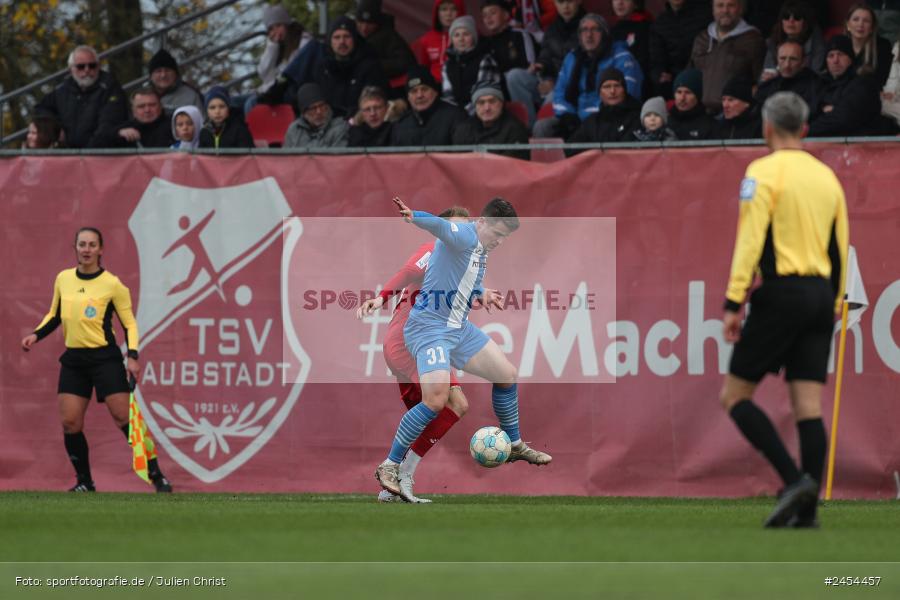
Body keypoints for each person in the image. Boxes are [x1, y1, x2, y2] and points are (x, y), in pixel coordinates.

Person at [720, 91, 848, 528]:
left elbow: (750, 240)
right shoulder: (827, 177)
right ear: (806, 129)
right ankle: (808, 513)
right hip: (820, 296)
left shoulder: (762, 172)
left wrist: (734, 301)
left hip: (782, 293)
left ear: (767, 129)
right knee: (807, 406)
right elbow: (839, 246)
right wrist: (833, 302)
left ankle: (795, 481)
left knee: (735, 396)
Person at [374, 196, 552, 501]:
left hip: (458, 329)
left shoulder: (480, 246)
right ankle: (390, 465)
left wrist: (481, 292)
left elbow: (457, 274)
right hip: (429, 329)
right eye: (497, 234)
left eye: (503, 237)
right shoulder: (467, 233)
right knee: (436, 400)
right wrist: (413, 215)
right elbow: (442, 226)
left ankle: (514, 443)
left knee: (506, 374)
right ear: (482, 223)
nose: (499, 241)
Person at [21, 227, 173, 493]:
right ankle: (85, 482)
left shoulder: (113, 284)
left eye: (92, 245)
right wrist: (36, 334)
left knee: (123, 417)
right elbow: (54, 314)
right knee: (70, 422)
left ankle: (156, 474)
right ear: (75, 247)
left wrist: (133, 356)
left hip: (105, 358)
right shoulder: (64, 279)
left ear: (101, 249)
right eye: (82, 244)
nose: (87, 249)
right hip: (74, 360)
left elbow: (130, 325)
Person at [357, 207, 474, 502]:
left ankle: (393, 487)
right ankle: (395, 469)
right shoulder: (435, 248)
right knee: (452, 402)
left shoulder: (462, 262)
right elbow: (409, 271)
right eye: (453, 228)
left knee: (436, 409)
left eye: (465, 228)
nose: (459, 234)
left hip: (420, 342)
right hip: (409, 342)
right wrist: (380, 298)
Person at [534, 13, 643, 138]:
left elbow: (627, 95)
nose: (589, 35)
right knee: (542, 127)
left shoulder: (622, 57)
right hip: (576, 118)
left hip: (609, 118)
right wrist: (567, 115)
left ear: (605, 33)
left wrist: (594, 117)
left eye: (595, 29)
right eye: (584, 30)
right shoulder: (572, 58)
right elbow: (559, 93)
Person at [35, 45, 127, 149]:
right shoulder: (62, 89)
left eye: (92, 66)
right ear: (71, 69)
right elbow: (41, 108)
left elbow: (109, 124)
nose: (87, 70)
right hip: (69, 155)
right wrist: (55, 128)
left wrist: (86, 154)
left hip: (100, 155)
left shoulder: (111, 88)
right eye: (81, 67)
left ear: (99, 66)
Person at [689, 0, 766, 114]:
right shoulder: (702, 38)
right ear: (713, 10)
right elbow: (690, 74)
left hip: (733, 116)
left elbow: (760, 81)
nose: (725, 10)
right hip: (700, 114)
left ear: (740, 9)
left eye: (731, 5)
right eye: (720, 5)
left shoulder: (753, 40)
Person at [480, 0, 543, 125]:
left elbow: (532, 68)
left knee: (514, 76)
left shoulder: (520, 35)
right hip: (499, 92)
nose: (488, 18)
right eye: (484, 15)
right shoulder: (484, 44)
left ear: (505, 15)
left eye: (492, 13)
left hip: (529, 87)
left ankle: (528, 128)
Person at [313, 16, 388, 118]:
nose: (342, 42)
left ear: (355, 39)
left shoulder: (370, 67)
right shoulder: (322, 68)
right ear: (330, 41)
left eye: (347, 36)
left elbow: (376, 103)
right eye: (337, 37)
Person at [808, 35, 883, 137]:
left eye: (841, 54)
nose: (835, 60)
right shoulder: (819, 84)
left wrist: (807, 130)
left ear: (850, 59)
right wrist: (822, 109)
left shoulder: (863, 84)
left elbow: (844, 119)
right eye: (831, 56)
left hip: (859, 146)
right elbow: (807, 111)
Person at [566, 67, 642, 153]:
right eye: (607, 87)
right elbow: (570, 149)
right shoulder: (592, 121)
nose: (612, 91)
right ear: (600, 93)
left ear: (624, 90)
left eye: (617, 86)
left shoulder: (638, 117)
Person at [390, 66, 467, 146]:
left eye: (424, 89)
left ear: (435, 92)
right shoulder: (400, 126)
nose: (419, 95)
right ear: (408, 98)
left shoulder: (456, 117)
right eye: (414, 91)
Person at [451, 81, 530, 159]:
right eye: (481, 102)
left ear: (501, 103)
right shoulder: (463, 129)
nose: (487, 108)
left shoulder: (515, 129)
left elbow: (512, 166)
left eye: (492, 101)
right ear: (475, 107)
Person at [649, 0, 711, 99]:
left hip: (702, 81)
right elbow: (657, 61)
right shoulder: (660, 23)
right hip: (673, 84)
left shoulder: (706, 15)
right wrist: (660, 75)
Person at [441, 16, 502, 113]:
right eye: (456, 35)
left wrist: (464, 114)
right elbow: (448, 96)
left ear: (473, 37)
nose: (461, 39)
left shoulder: (486, 60)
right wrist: (453, 115)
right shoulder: (447, 65)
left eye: (466, 34)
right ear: (452, 40)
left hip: (482, 112)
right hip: (457, 115)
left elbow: (485, 95)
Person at [355, 0, 417, 89]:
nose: (364, 27)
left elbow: (406, 62)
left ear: (377, 22)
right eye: (360, 22)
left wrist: (374, 66)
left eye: (369, 23)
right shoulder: (351, 35)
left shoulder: (390, 37)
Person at [760, 1, 826, 81]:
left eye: (797, 17)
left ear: (805, 22)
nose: (791, 21)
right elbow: (767, 72)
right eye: (786, 16)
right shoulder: (773, 42)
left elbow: (816, 77)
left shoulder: (816, 45)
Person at [755, 40, 824, 112]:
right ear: (777, 59)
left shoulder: (815, 86)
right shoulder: (768, 86)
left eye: (793, 59)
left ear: (803, 62)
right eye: (782, 58)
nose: (787, 65)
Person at [102, 87, 174, 148]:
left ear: (161, 106)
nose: (147, 110)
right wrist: (117, 134)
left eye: (152, 105)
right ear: (133, 110)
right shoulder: (125, 129)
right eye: (141, 106)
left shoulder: (175, 125)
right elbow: (95, 145)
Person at [415, 0, 467, 84]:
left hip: (461, 84)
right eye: (444, 9)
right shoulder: (427, 39)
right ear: (437, 12)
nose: (448, 14)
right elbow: (423, 69)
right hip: (434, 87)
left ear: (460, 11)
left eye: (453, 9)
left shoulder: (469, 35)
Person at [283, 83, 349, 149]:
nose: (319, 111)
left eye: (322, 105)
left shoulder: (340, 127)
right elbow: (285, 157)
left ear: (327, 106)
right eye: (313, 108)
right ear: (304, 113)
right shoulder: (294, 129)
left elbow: (338, 158)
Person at [845, 3, 893, 88]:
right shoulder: (839, 44)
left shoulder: (883, 46)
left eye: (866, 21)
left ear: (872, 28)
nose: (860, 24)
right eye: (856, 19)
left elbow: (880, 80)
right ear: (848, 25)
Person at [147, 48, 203, 113]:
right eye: (158, 71)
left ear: (176, 74)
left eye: (167, 70)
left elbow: (202, 121)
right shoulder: (141, 96)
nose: (163, 75)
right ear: (151, 76)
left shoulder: (191, 96)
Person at [667, 68, 717, 139]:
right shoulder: (664, 123)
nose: (682, 98)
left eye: (688, 92)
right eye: (679, 92)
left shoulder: (710, 126)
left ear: (698, 96)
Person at [713, 74, 761, 138]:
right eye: (723, 99)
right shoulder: (718, 127)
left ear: (747, 103)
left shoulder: (759, 127)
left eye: (731, 100)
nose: (725, 105)